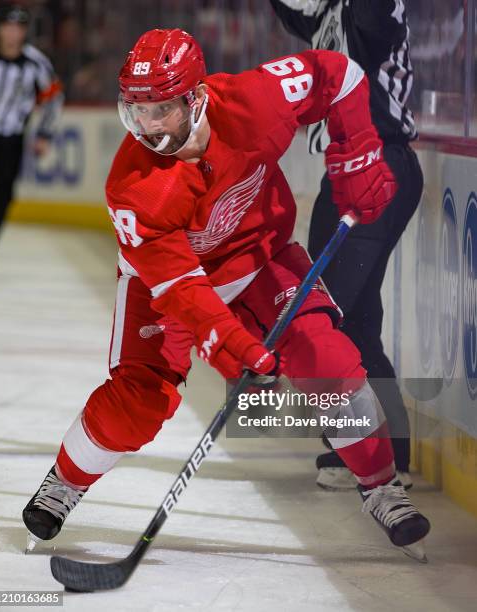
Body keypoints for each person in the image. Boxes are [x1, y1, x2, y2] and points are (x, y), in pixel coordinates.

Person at [22, 28, 430, 561]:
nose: (146, 126)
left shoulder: (254, 100)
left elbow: (340, 74)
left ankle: (381, 486)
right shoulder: (135, 186)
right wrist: (230, 341)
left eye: (160, 109)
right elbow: (180, 289)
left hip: (262, 256)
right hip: (166, 284)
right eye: (135, 111)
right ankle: (66, 481)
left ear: (195, 98)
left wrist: (356, 152)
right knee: (139, 402)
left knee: (326, 360)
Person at [270, 0, 422, 490]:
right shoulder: (328, 10)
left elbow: (374, 26)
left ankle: (368, 452)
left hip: (377, 167)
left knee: (332, 311)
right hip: (344, 171)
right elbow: (296, 13)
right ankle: (388, 451)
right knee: (353, 317)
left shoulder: (371, 8)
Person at [0, 3, 63, 267]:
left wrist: (44, 133)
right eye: (7, 26)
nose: (12, 33)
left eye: (18, 27)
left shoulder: (35, 62)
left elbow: (54, 98)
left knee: (4, 192)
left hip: (11, 135)